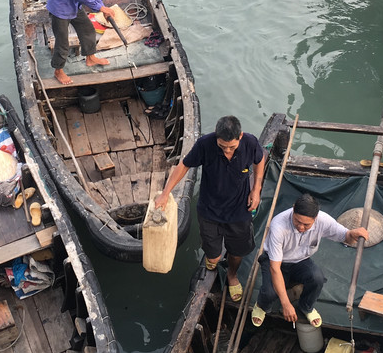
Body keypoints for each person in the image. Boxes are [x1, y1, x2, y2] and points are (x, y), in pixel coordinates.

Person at [155, 115, 264, 301]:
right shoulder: (205, 144)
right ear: (216, 137)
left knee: (237, 253)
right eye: (222, 146)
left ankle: (232, 275)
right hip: (209, 210)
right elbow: (184, 166)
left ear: (240, 136)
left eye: (232, 146)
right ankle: (213, 259)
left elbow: (259, 160)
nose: (227, 150)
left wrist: (256, 189)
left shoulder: (250, 143)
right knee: (212, 257)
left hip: (239, 210)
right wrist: (165, 193)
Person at [252, 193, 369, 329]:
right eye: (297, 221)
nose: (301, 227)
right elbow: (275, 268)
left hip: (300, 260)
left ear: (316, 217)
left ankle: (306, 307)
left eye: (306, 225)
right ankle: (261, 305)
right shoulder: (278, 225)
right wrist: (286, 304)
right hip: (276, 261)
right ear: (293, 208)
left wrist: (353, 234)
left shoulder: (323, 221)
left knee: (317, 278)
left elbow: (346, 236)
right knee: (269, 292)